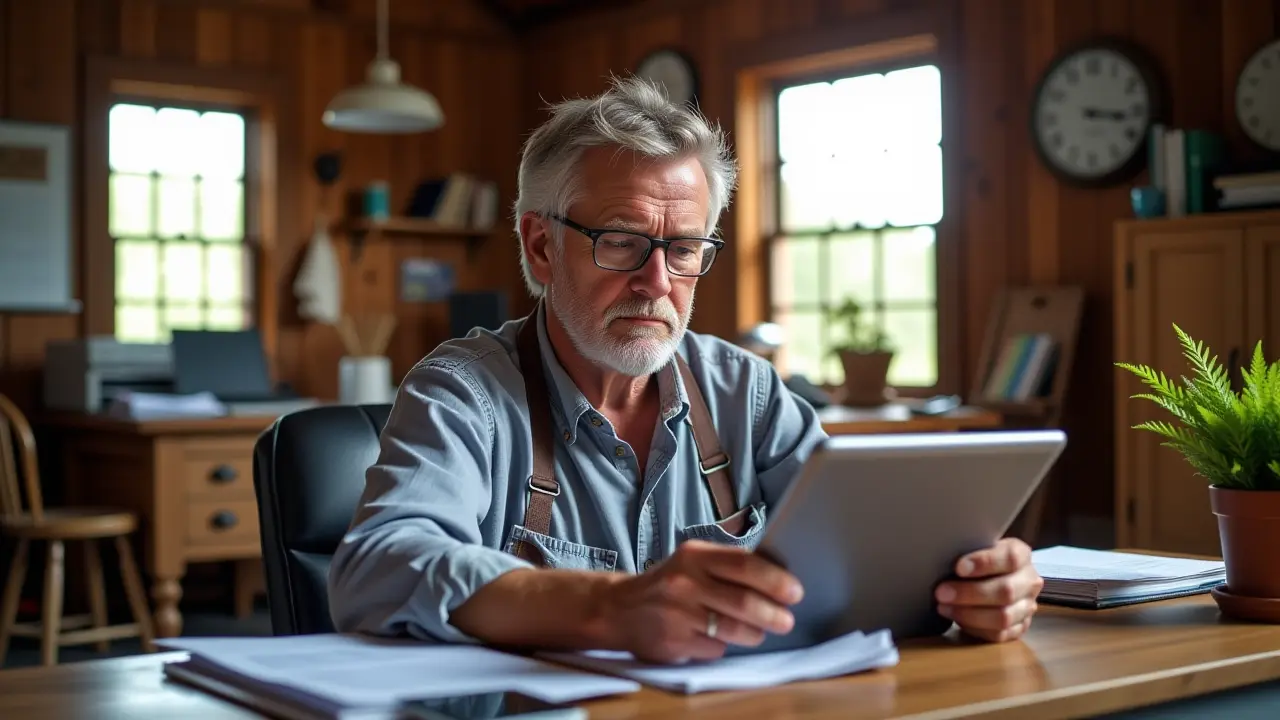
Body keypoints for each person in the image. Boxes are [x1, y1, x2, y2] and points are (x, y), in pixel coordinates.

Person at [327, 76, 1043, 663]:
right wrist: (609, 605)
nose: (656, 282)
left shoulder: (747, 392)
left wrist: (971, 584)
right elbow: (379, 567)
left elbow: (866, 543)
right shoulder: (465, 393)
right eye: (621, 241)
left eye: (685, 249)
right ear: (541, 247)